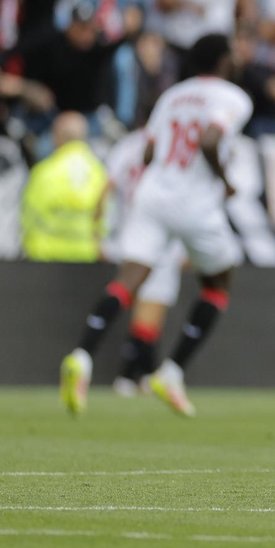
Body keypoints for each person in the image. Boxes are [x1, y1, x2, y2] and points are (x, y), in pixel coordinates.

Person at [58, 34, 253, 418]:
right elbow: (210, 141)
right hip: (195, 201)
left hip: (153, 194)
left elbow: (148, 151)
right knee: (218, 284)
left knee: (127, 281)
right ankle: (172, 371)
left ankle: (82, 355)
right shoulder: (233, 97)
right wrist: (225, 181)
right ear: (223, 61)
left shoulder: (172, 96)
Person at [99, 128, 190, 396]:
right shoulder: (176, 145)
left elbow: (106, 189)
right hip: (160, 238)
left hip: (128, 237)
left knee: (139, 306)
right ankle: (132, 377)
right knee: (150, 311)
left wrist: (99, 234)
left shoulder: (126, 146)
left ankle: (141, 376)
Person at [21, 112, 106, 262]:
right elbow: (106, 219)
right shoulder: (100, 173)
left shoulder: (44, 172)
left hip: (45, 258)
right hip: (88, 257)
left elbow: (28, 217)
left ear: (57, 136)